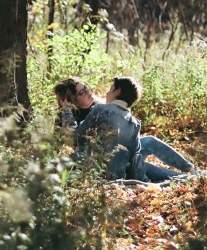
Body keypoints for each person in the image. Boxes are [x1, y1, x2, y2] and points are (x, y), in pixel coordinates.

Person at [56, 77, 198, 181]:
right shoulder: (69, 116)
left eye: (86, 88)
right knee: (131, 162)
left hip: (119, 154)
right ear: (72, 100)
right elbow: (68, 140)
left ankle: (190, 170)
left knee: (148, 142)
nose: (88, 92)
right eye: (82, 93)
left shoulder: (100, 106)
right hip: (103, 161)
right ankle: (181, 178)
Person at [58, 76, 148, 181]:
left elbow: (75, 138)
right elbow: (136, 161)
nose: (107, 93)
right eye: (82, 92)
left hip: (91, 173)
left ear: (117, 92)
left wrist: (66, 112)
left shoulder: (100, 109)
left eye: (110, 89)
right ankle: (171, 177)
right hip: (115, 177)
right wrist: (143, 182)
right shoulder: (135, 123)